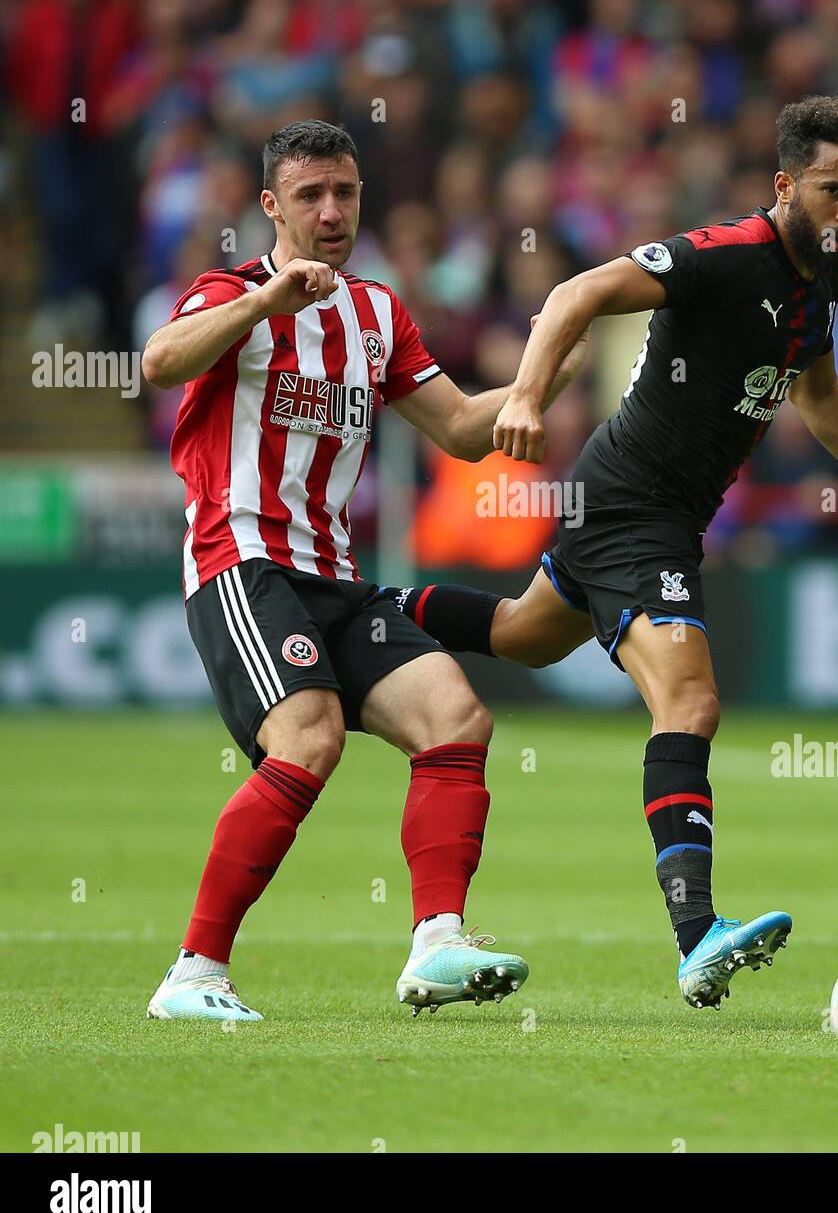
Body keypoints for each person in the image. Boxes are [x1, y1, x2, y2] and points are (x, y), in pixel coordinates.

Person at [381, 96, 838, 1012]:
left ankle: (369, 610)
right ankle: (697, 935)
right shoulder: (725, 254)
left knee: (524, 636)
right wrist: (523, 396)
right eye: (831, 190)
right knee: (690, 701)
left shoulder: (818, 279)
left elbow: (819, 393)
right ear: (784, 185)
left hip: (660, 510)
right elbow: (576, 293)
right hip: (633, 504)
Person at [140, 119, 582, 1020]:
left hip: (336, 577)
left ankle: (437, 942)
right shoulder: (229, 293)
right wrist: (266, 304)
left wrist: (548, 369)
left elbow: (461, 429)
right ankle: (193, 974)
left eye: (344, 192)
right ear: (272, 206)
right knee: (310, 739)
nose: (331, 211)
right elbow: (159, 362)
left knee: (456, 718)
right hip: (243, 563)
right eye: (310, 195)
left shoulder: (376, 313)